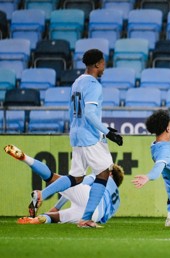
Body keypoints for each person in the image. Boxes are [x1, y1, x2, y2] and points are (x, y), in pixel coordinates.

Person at [28, 49, 124, 228]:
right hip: (90, 136)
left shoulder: (77, 82)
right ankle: (86, 219)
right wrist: (107, 132)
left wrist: (101, 129)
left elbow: (74, 111)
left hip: (77, 134)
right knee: (103, 173)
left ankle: (42, 194)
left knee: (76, 176)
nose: (104, 66)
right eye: (103, 63)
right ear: (97, 64)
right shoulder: (94, 85)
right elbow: (89, 112)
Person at [4, 144, 124, 225]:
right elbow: (103, 218)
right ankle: (37, 219)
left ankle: (26, 159)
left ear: (110, 174)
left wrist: (58, 205)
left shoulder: (104, 176)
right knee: (59, 217)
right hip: (95, 216)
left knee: (52, 178)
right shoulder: (116, 199)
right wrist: (56, 209)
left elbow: (81, 184)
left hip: (90, 199)